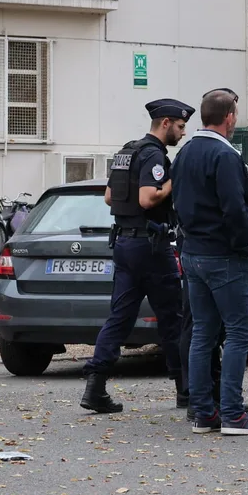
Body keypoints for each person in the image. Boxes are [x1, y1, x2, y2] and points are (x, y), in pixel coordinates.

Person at [172, 88, 248, 435]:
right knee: (238, 333)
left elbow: (178, 200)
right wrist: (245, 243)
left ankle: (204, 412)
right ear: (229, 117)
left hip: (193, 251)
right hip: (223, 254)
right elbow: (235, 208)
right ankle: (233, 413)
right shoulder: (226, 154)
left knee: (202, 333)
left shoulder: (185, 152)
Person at [80, 99, 194, 414]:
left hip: (124, 244)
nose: (183, 133)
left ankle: (95, 386)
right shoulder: (154, 155)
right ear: (166, 123)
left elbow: (109, 197)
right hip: (151, 247)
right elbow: (147, 198)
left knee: (119, 317)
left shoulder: (127, 151)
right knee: (172, 318)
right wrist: (173, 181)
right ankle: (185, 390)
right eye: (180, 126)